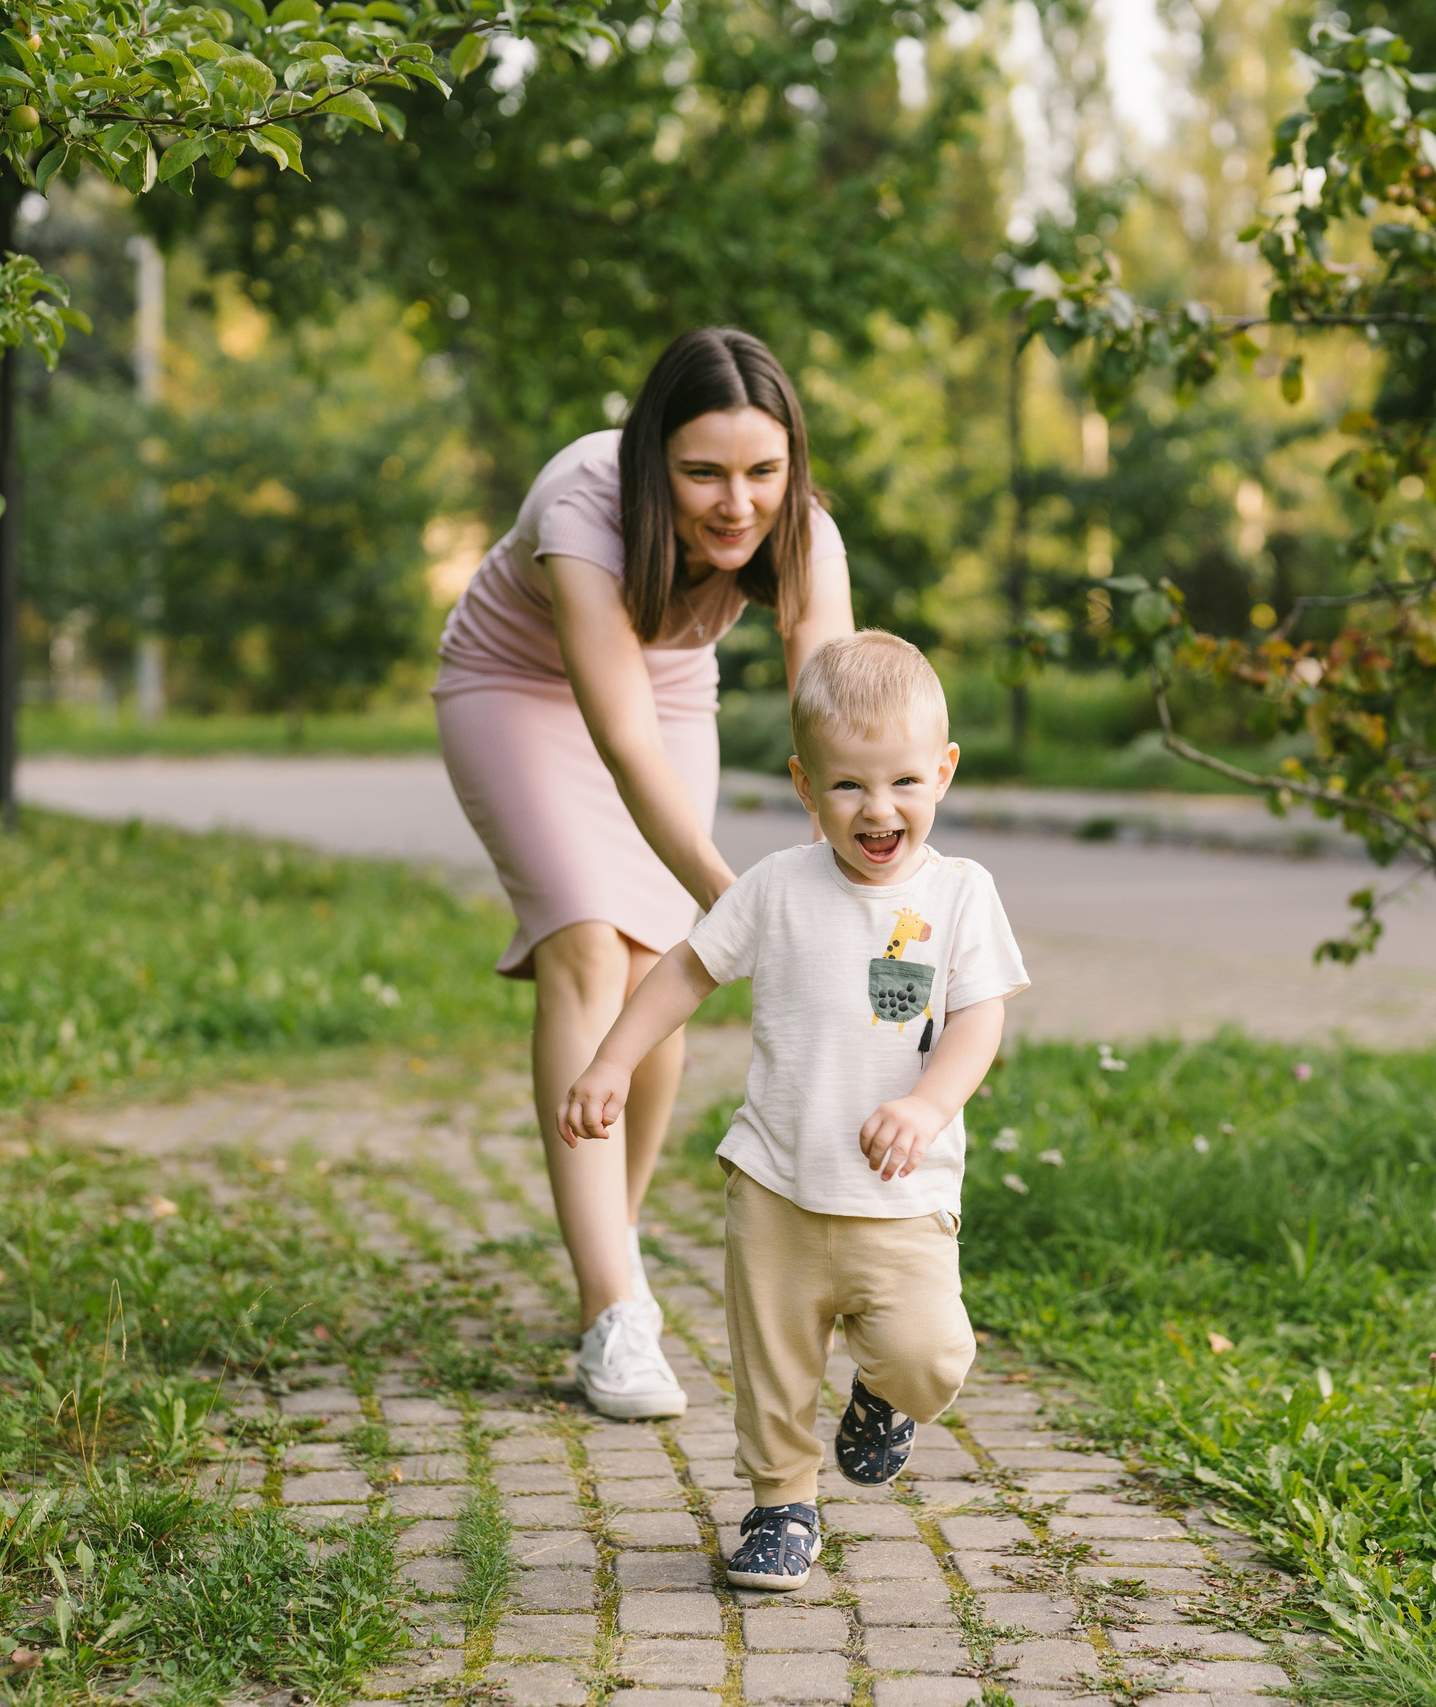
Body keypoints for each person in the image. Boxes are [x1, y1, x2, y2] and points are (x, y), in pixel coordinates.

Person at [433, 329, 854, 1418]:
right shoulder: (583, 504)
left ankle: (603, 1252)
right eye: (702, 472)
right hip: (515, 690)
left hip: (669, 691)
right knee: (589, 946)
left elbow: (835, 719)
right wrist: (742, 903)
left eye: (762, 472)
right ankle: (614, 1312)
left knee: (659, 972)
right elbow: (618, 741)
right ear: (649, 458)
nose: (735, 503)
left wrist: (845, 876)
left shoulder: (803, 528)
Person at [559, 632, 1029, 1590]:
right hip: (777, 1179)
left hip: (903, 1192)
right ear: (806, 785)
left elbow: (981, 1022)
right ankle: (782, 1503)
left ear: (942, 771)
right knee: (773, 1361)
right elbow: (684, 970)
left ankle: (884, 1399)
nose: (879, 808)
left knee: (930, 1352)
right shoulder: (774, 887)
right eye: (849, 785)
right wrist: (612, 1058)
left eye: (904, 780)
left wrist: (929, 1102)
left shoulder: (959, 894)